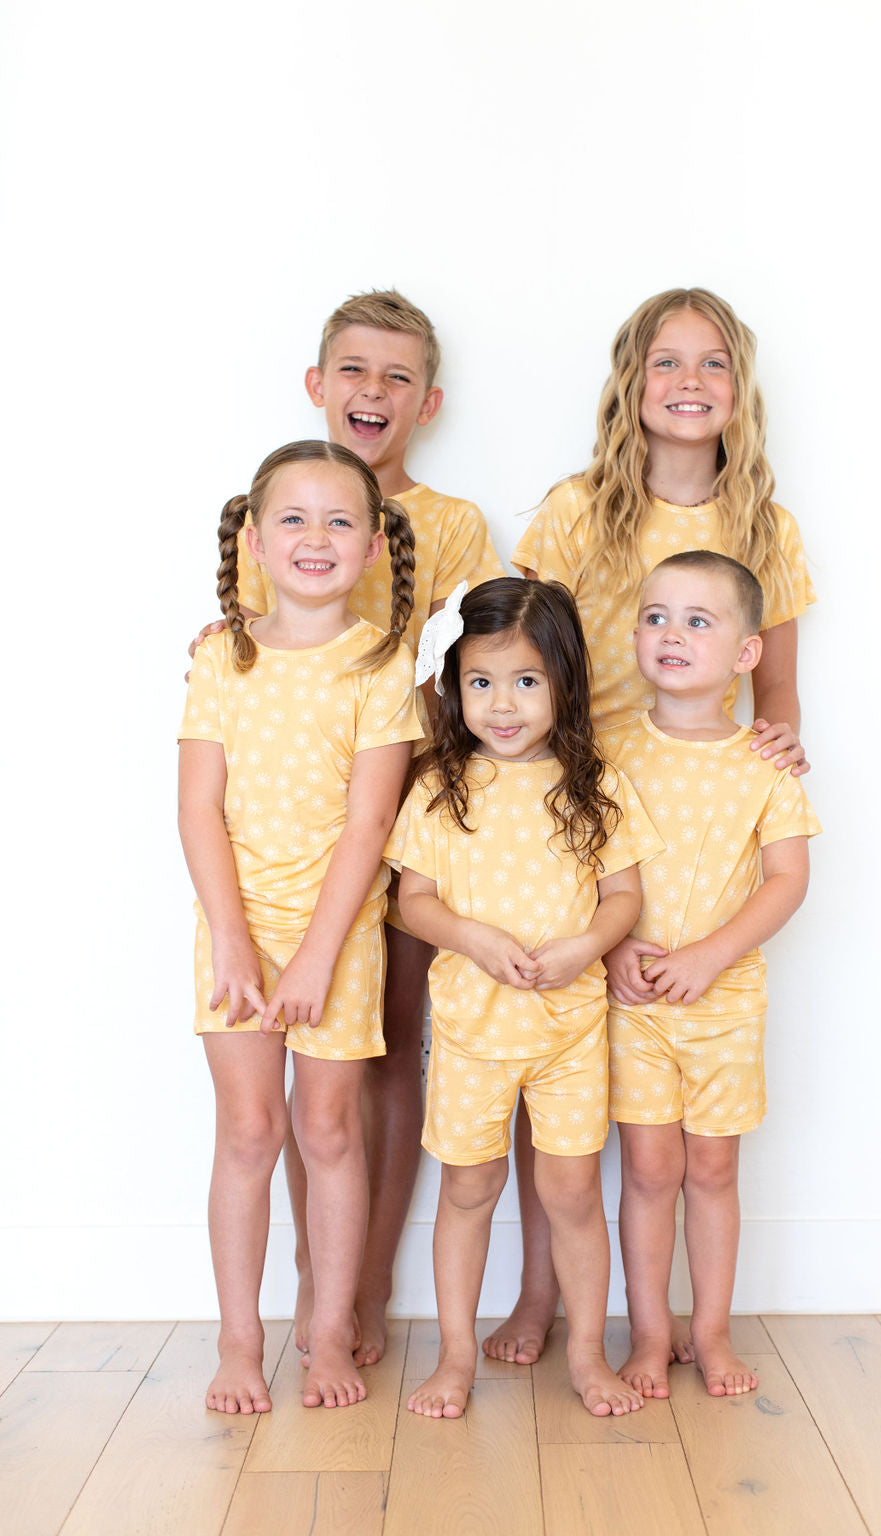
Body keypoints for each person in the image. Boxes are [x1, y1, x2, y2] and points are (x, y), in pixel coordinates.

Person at [489, 286, 817, 1367]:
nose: (688, 381)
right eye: (665, 361)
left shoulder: (765, 526)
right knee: (557, 1079)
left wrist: (777, 751)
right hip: (576, 812)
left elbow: (779, 690)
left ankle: (673, 1325)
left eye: (712, 362)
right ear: (630, 384)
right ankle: (540, 1294)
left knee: (668, 1145)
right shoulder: (580, 508)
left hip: (700, 828)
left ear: (739, 389)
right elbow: (515, 643)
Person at [197, 290, 505, 1368]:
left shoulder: (451, 525)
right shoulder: (282, 508)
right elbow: (245, 645)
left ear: (426, 401)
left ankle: (360, 1286)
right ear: (318, 386)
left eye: (396, 376)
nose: (373, 391)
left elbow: (481, 666)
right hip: (286, 840)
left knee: (381, 1052)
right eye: (354, 371)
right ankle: (312, 1286)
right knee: (284, 1091)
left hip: (407, 821)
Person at [178, 440, 421, 1414]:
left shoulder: (381, 663)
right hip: (234, 931)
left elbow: (371, 823)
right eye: (292, 518)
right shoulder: (219, 657)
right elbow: (198, 810)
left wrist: (319, 956)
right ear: (253, 538)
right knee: (248, 1131)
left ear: (371, 546)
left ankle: (327, 1334)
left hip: (338, 936)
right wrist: (234, 939)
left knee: (327, 1131)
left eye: (339, 521)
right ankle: (240, 1343)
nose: (315, 537)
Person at [385, 578, 663, 1419]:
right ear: (455, 684)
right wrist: (471, 938)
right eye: (481, 681)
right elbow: (413, 900)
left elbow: (623, 896)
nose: (502, 704)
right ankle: (455, 1357)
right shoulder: (440, 787)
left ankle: (586, 1353)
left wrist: (587, 945)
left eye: (526, 681)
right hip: (471, 1033)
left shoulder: (596, 785)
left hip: (568, 1032)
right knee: (469, 1191)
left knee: (571, 1194)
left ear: (563, 682)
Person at [602, 550, 820, 1398]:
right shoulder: (610, 750)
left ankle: (713, 1333)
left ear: (745, 654)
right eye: (656, 617)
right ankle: (650, 1335)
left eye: (698, 621)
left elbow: (788, 879)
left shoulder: (767, 761)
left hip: (726, 1007)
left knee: (714, 1173)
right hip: (635, 1004)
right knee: (650, 1172)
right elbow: (578, 864)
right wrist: (613, 947)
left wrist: (710, 954)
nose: (672, 634)